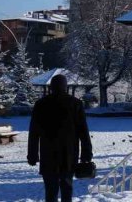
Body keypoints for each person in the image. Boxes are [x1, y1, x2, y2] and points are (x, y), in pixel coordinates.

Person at [28, 74, 93, 202]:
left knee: (50, 190)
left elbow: (34, 133)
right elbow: (83, 131)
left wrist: (32, 155)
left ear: (51, 87)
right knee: (67, 188)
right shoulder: (75, 104)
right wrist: (86, 153)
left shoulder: (41, 104)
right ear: (65, 86)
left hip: (48, 154)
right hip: (68, 154)